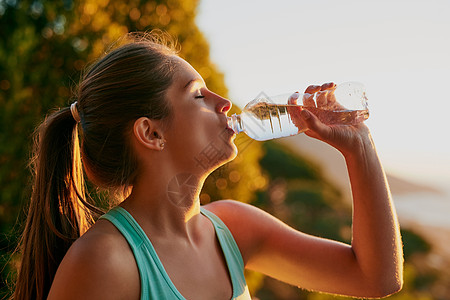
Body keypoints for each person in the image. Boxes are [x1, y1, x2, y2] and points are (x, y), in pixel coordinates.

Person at [14, 32, 403, 300]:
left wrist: (360, 148)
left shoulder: (233, 228)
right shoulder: (105, 261)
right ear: (151, 133)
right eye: (198, 94)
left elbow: (375, 277)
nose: (224, 103)